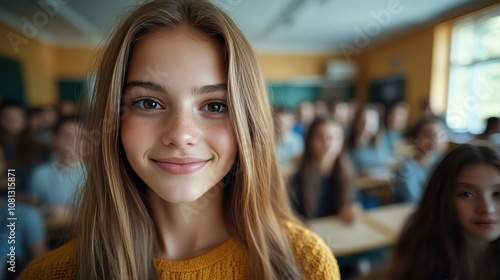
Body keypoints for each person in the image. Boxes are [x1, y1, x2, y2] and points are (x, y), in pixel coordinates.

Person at [22, 1, 339, 279]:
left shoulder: (306, 262)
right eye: (148, 103)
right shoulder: (50, 274)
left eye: (216, 106)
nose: (181, 135)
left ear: (250, 124)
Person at [388, 144, 500, 279]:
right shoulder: (421, 261)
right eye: (466, 194)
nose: (487, 209)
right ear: (443, 198)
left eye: (498, 194)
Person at [290, 117, 361, 222]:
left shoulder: (348, 172)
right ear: (310, 140)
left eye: (335, 138)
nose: (328, 143)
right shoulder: (297, 178)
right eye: (320, 137)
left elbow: (354, 200)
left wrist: (354, 208)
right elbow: (293, 215)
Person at [26, 117, 86, 223]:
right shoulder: (40, 173)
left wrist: (72, 213)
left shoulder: (97, 174)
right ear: (55, 139)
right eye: (68, 136)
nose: (74, 141)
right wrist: (47, 212)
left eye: (80, 137)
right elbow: (30, 211)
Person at [392, 116, 447, 203]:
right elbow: (412, 200)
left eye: (438, 135)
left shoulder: (445, 164)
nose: (433, 139)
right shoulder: (406, 167)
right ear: (415, 138)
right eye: (428, 134)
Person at [273, 106, 304, 177]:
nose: (280, 125)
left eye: (283, 122)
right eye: (277, 121)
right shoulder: (268, 141)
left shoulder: (297, 140)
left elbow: (297, 165)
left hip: (290, 177)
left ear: (292, 123)